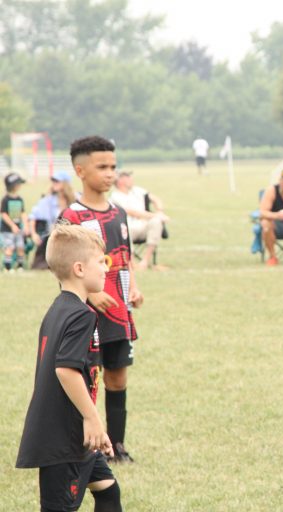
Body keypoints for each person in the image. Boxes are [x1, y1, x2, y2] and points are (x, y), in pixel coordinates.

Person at [16, 223, 123, 511]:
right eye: (101, 262)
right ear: (78, 269)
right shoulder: (81, 316)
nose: (106, 269)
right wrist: (93, 418)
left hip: (75, 433)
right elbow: (65, 369)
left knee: (109, 491)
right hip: (64, 436)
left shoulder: (60, 308)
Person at [62, 136, 143, 464]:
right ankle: (87, 447)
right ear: (80, 170)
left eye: (113, 166)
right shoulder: (73, 216)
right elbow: (64, 268)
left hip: (119, 313)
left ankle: (117, 445)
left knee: (118, 377)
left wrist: (133, 288)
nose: (110, 173)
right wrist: (93, 293)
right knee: (88, 378)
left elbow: (126, 258)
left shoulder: (119, 214)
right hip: (87, 317)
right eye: (102, 167)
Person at [110, 169, 169, 271]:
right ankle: (132, 263)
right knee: (124, 228)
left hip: (143, 226)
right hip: (128, 228)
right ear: (120, 181)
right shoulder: (115, 197)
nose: (131, 179)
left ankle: (145, 261)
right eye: (127, 177)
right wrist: (155, 215)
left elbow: (155, 199)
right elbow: (132, 212)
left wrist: (159, 211)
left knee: (156, 222)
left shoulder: (138, 191)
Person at [1, 172, 31, 271]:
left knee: (20, 247)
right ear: (13, 185)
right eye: (18, 184)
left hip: (18, 229)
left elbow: (22, 213)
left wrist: (26, 225)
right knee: (10, 247)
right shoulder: (5, 199)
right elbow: (4, 214)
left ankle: (20, 266)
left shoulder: (19, 199)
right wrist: (12, 225)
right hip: (7, 230)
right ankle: (8, 267)